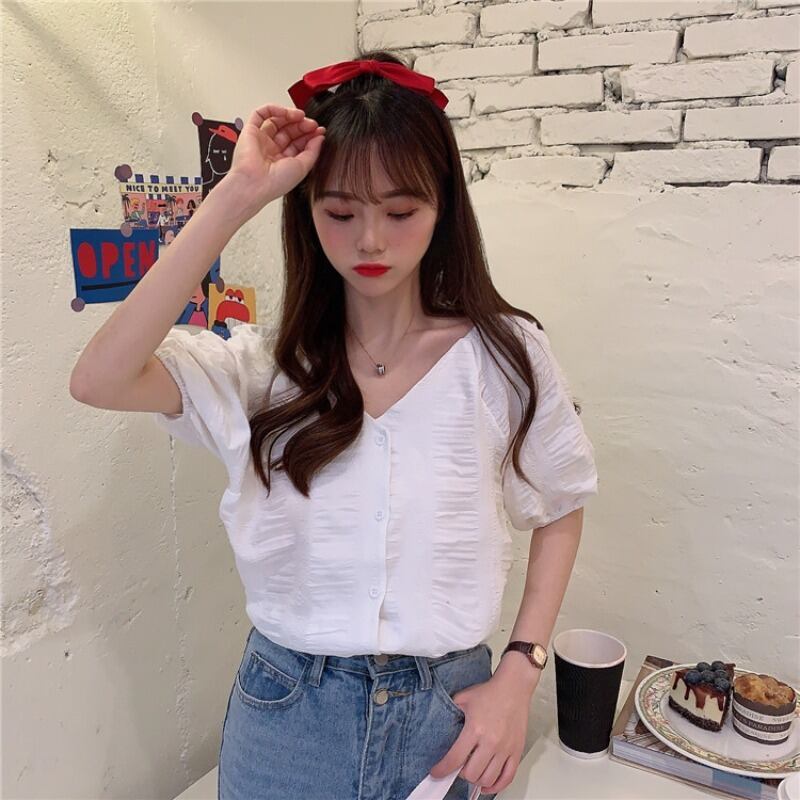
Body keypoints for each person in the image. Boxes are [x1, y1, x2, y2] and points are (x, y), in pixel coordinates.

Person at [69, 50, 599, 800]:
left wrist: (522, 670)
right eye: (341, 213)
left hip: (447, 717)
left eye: (401, 212)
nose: (371, 240)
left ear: (443, 207)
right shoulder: (260, 371)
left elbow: (562, 505)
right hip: (287, 720)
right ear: (307, 211)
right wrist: (236, 196)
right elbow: (99, 379)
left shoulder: (503, 356)